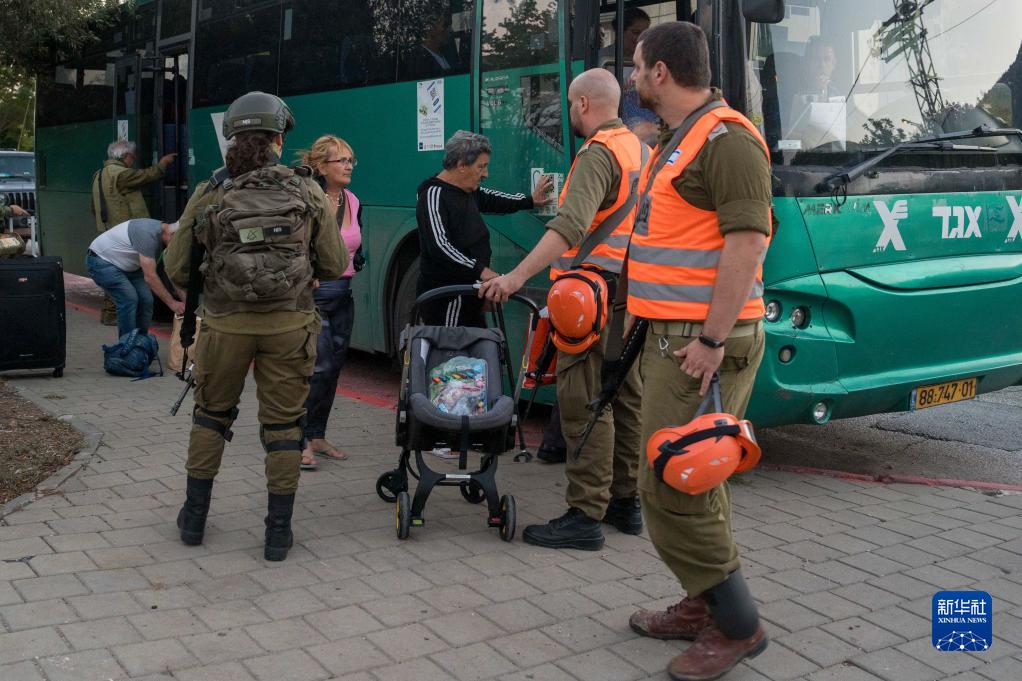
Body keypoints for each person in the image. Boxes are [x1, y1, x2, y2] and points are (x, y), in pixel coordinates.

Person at [624, 21, 772, 680]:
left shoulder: (725, 139)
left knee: (669, 481)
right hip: (678, 336)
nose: (632, 77)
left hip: (702, 343)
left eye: (637, 66)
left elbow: (749, 243)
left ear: (661, 72)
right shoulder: (680, 138)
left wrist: (711, 340)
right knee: (695, 475)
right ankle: (702, 601)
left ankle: (737, 626)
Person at [165, 91, 346, 562]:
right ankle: (277, 534)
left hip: (225, 326)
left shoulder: (211, 191)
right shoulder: (307, 190)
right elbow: (334, 263)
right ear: (279, 140)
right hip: (290, 326)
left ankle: (194, 519)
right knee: (284, 426)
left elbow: (177, 267)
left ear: (232, 138)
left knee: (211, 415)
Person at [480, 68, 646, 549]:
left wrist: (515, 276)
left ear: (583, 105)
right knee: (625, 398)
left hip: (589, 301)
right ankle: (626, 504)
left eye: (571, 105)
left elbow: (570, 227)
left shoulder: (598, 154)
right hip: (628, 298)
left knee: (584, 403)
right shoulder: (640, 150)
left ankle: (585, 514)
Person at [415, 130, 552, 327]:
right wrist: (481, 271)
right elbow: (440, 246)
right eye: (481, 167)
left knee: (476, 341)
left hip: (469, 292)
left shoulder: (468, 190)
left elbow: (495, 199)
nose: (486, 174)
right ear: (462, 165)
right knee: (453, 344)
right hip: (448, 297)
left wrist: (530, 201)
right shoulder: (433, 194)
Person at [296, 135, 363, 470]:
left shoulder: (353, 200)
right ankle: (299, 440)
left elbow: (355, 246)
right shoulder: (308, 199)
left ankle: (318, 435)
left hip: (343, 295)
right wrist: (308, 272)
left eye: (351, 160)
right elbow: (295, 244)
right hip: (315, 296)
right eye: (342, 161)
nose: (349, 166)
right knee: (318, 367)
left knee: (333, 368)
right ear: (322, 167)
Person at [91, 140, 177, 325]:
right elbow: (145, 176)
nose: (134, 159)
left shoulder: (99, 174)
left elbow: (93, 207)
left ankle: (109, 313)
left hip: (109, 230)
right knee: (125, 276)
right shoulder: (121, 174)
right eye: (132, 156)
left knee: (116, 273)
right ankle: (116, 315)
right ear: (124, 156)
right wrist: (163, 164)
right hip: (125, 231)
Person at [86, 219, 184, 339]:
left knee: (146, 300)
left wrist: (188, 305)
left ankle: (140, 342)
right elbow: (150, 277)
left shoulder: (164, 235)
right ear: (171, 234)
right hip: (102, 261)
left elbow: (173, 273)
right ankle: (127, 345)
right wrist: (172, 303)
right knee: (129, 299)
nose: (179, 247)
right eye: (179, 242)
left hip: (129, 265)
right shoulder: (147, 235)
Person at [600, 7, 659, 145]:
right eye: (635, 32)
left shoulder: (650, 59)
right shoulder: (602, 59)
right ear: (620, 31)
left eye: (645, 34)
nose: (640, 39)